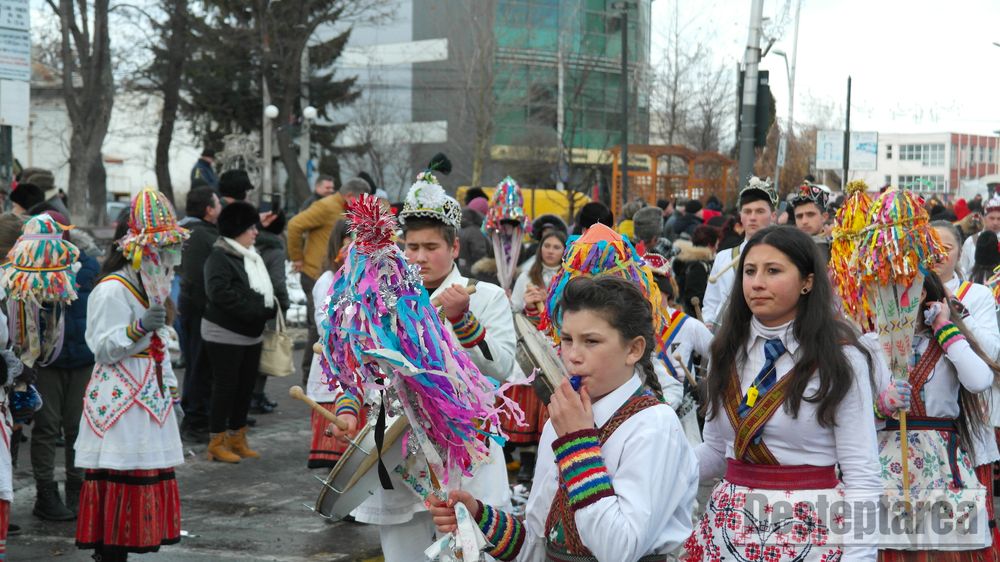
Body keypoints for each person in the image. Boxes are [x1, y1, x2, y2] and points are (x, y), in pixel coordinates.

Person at [429, 276, 699, 561]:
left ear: (633, 349)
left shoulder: (654, 425)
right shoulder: (562, 420)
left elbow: (619, 549)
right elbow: (539, 544)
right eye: (567, 340)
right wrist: (479, 517)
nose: (572, 356)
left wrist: (577, 444)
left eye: (591, 341)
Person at [331, 172, 516, 561]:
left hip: (467, 451)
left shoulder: (486, 296)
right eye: (412, 246)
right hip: (401, 455)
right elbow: (361, 372)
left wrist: (463, 320)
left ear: (454, 247)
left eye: (431, 247)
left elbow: (501, 367)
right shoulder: (380, 301)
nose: (418, 257)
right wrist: (347, 410)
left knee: (472, 552)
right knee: (404, 554)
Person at [685, 225, 881, 561]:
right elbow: (716, 451)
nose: (757, 283)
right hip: (727, 536)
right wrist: (653, 469)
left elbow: (862, 472)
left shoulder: (841, 358)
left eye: (773, 271)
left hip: (809, 536)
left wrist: (860, 556)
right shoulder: (725, 351)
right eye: (749, 271)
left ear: (807, 281)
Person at [75, 188, 187, 561]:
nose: (164, 255)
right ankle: (108, 553)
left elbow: (160, 347)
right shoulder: (111, 290)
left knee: (138, 474)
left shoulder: (152, 285)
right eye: (157, 247)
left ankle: (116, 550)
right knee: (118, 476)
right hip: (120, 400)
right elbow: (101, 347)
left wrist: (171, 392)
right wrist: (138, 328)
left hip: (148, 397)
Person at [874, 271, 1000, 559]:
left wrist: (944, 326)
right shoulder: (872, 344)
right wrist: (880, 407)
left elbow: (979, 380)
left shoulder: (946, 342)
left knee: (943, 548)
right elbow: (851, 413)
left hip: (942, 464)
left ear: (923, 295)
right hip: (888, 464)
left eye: (901, 289)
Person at [30, 210, 99, 521]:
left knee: (78, 427)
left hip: (82, 359)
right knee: (46, 427)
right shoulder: (29, 269)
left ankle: (78, 488)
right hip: (46, 360)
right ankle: (45, 493)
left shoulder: (88, 267)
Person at [201, 201, 277, 464]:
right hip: (224, 333)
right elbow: (219, 293)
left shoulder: (250, 256)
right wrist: (255, 310)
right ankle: (216, 442)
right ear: (236, 230)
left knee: (245, 387)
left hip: (251, 333)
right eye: (250, 228)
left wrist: (270, 306)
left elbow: (259, 291)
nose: (255, 232)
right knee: (226, 388)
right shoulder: (219, 256)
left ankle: (237, 437)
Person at [286, 178, 369, 385]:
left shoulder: (343, 210)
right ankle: (311, 376)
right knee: (319, 327)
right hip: (318, 273)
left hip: (338, 271)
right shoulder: (326, 206)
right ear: (350, 196)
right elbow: (295, 225)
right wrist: (297, 257)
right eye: (361, 200)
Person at [505, 230, 567, 482]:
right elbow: (512, 310)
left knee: (548, 402)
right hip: (530, 347)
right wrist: (527, 303)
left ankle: (548, 460)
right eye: (547, 246)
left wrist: (549, 304)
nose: (550, 251)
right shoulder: (527, 277)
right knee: (527, 403)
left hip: (555, 348)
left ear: (564, 251)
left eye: (556, 247)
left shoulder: (567, 278)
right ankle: (526, 461)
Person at [304, 219, 354, 469]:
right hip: (336, 369)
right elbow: (326, 326)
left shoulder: (366, 278)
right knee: (338, 458)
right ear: (342, 242)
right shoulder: (328, 280)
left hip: (360, 373)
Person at [702, 176, 778, 330]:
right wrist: (709, 324)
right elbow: (711, 302)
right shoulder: (724, 257)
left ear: (773, 216)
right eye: (747, 211)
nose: (752, 218)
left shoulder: (783, 257)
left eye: (760, 211)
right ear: (741, 217)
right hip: (728, 334)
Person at [177, 187, 222, 443]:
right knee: (200, 366)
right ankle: (195, 421)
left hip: (194, 308)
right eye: (217, 203)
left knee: (198, 364)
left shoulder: (190, 231)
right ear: (209, 209)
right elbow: (197, 278)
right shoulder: (201, 235)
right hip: (201, 311)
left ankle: (197, 416)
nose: (220, 207)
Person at [250, 208, 290, 414]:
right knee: (265, 350)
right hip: (269, 306)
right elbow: (278, 282)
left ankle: (252, 396)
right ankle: (256, 396)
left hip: (248, 304)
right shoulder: (275, 249)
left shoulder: (249, 242)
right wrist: (284, 304)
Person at [672, 225, 718, 320]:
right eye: (716, 245)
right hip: (696, 317)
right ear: (710, 245)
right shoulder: (699, 266)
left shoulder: (686, 259)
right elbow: (694, 298)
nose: (716, 249)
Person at [789, 182, 832, 262]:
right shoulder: (788, 247)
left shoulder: (837, 247)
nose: (804, 221)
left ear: (824, 217)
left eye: (810, 215)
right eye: (799, 216)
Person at [961, 195, 1000, 278]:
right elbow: (963, 269)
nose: (995, 223)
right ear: (984, 218)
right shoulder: (971, 241)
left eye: (999, 219)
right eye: (992, 218)